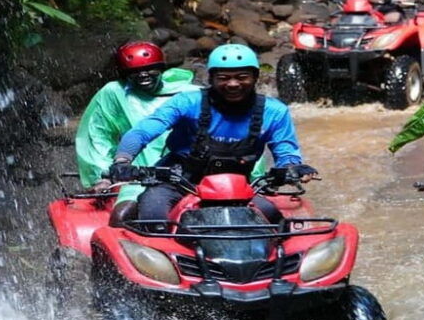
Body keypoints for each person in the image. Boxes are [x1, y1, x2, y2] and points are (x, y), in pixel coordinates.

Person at [109, 44, 317, 227]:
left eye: (242, 77)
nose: (233, 84)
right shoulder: (186, 102)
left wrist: (292, 169)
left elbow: (286, 153)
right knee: (153, 218)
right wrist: (123, 160)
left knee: (277, 226)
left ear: (255, 78)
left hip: (237, 187)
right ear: (211, 79)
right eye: (224, 78)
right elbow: (143, 131)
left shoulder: (275, 111)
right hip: (177, 180)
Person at [75, 41, 199, 225]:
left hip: (191, 172)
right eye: (134, 72)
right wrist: (102, 176)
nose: (143, 75)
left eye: (150, 69)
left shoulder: (191, 93)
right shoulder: (114, 92)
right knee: (122, 217)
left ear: (161, 69)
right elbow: (97, 134)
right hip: (139, 176)